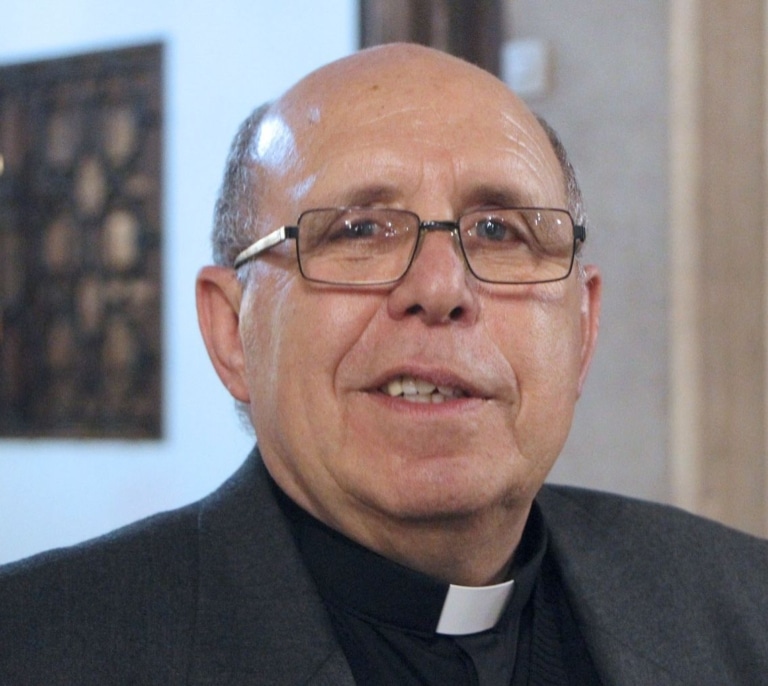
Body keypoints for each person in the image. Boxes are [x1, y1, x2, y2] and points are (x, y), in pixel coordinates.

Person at [1, 43, 766, 685]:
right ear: (232, 330)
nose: (441, 288)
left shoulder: (742, 606)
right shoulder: (39, 648)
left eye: (500, 230)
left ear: (584, 327)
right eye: (360, 229)